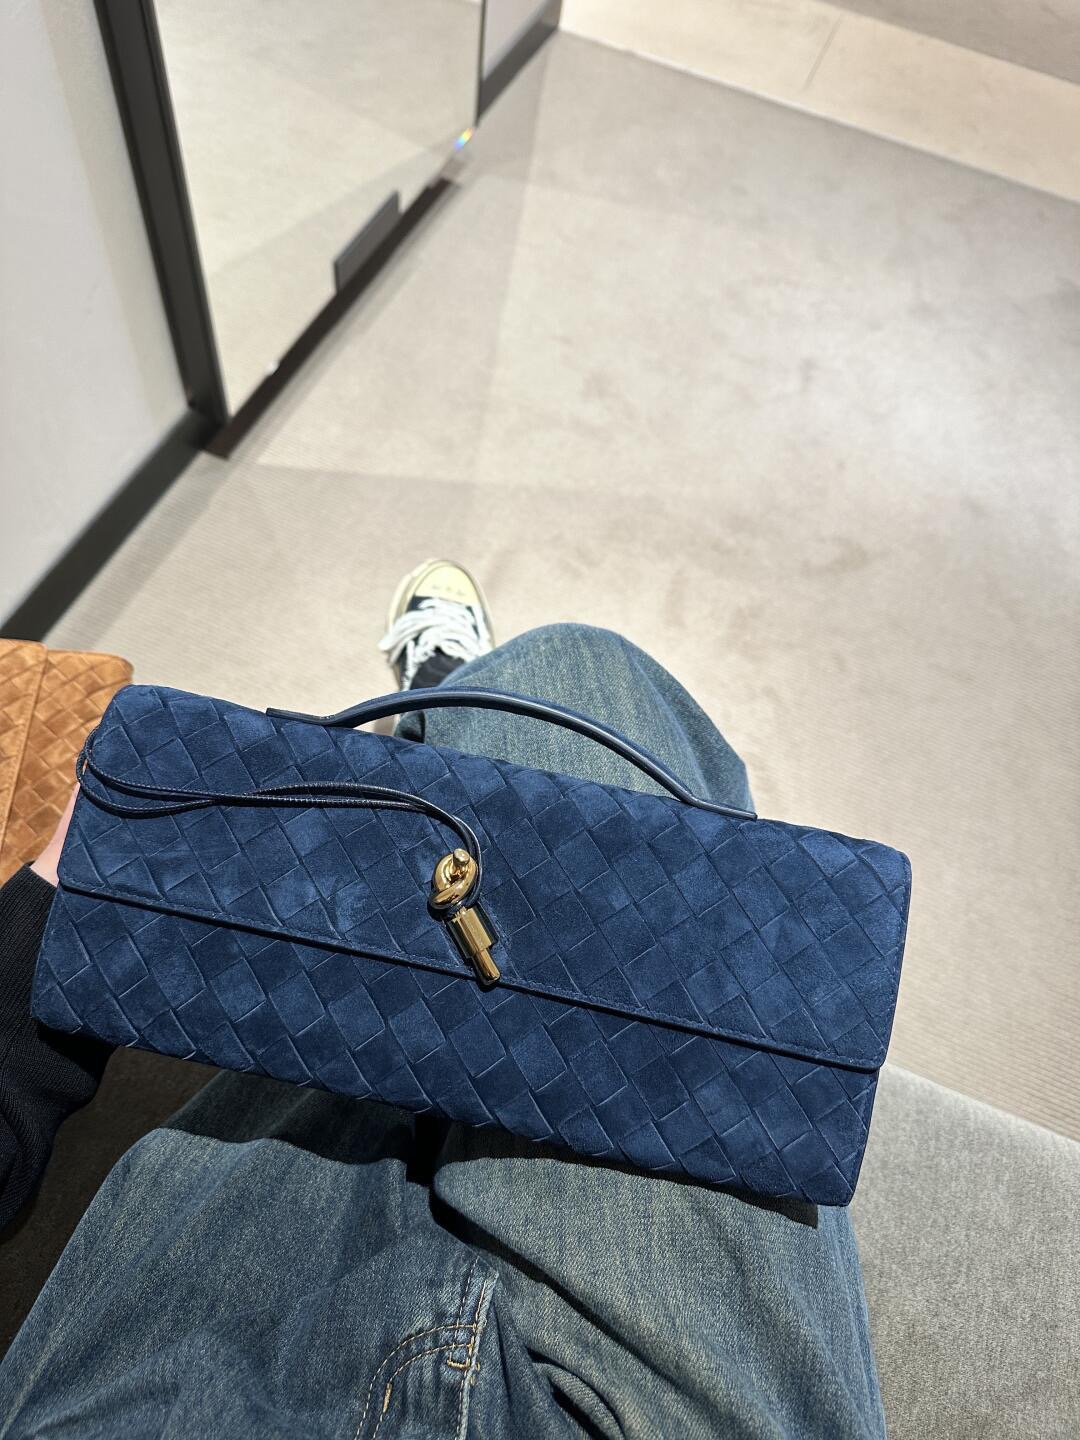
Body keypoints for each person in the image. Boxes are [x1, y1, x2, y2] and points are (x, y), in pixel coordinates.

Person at [0, 561, 885, 1438]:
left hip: (160, 1387)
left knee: (400, 943)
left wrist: (40, 924)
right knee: (573, 671)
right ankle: (445, 708)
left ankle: (438, 712)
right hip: (238, 1372)